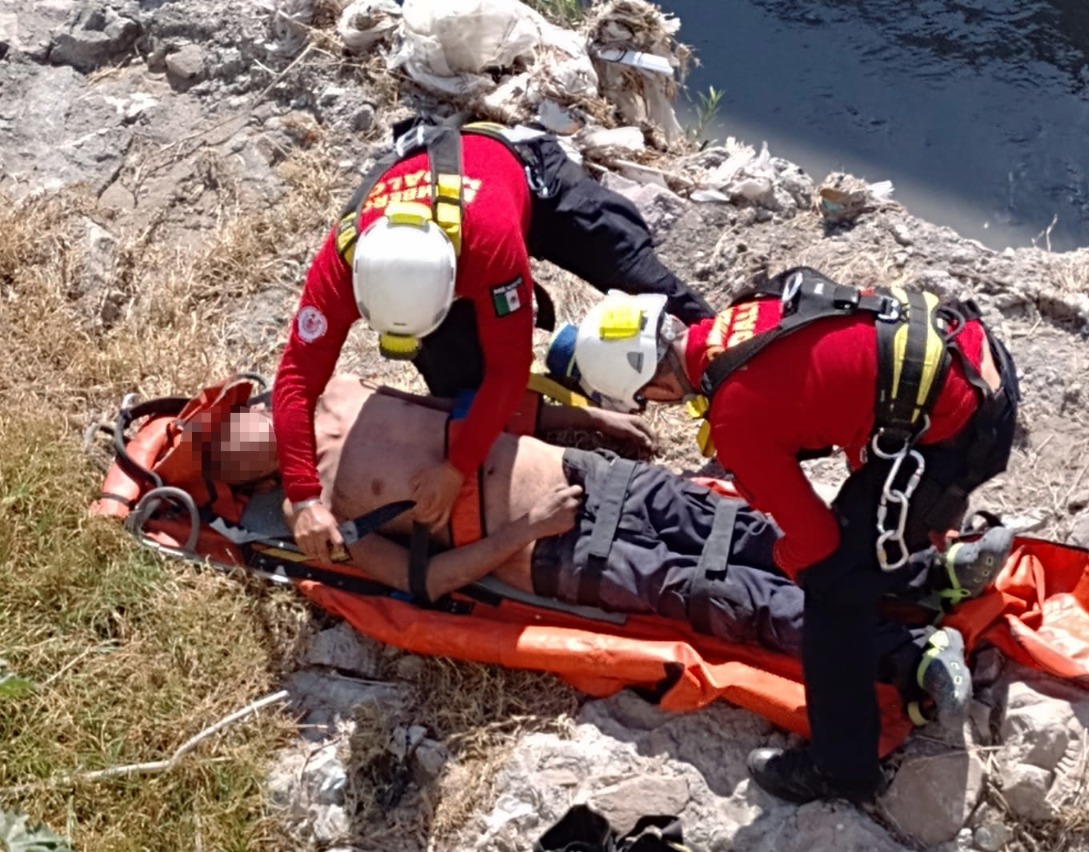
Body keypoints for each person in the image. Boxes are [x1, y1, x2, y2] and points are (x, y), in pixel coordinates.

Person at [213, 373, 974, 715]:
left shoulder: (340, 390)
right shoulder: (317, 521)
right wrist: (527, 529)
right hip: (554, 553)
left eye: (227, 425)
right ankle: (906, 658)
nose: (238, 442)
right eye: (224, 455)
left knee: (749, 531)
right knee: (725, 596)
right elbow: (425, 586)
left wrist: (594, 424)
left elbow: (471, 409)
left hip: (589, 475)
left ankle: (921, 580)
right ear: (242, 482)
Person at [567, 267, 1021, 804]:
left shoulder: (736, 418)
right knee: (860, 537)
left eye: (646, 398)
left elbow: (816, 540)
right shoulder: (739, 318)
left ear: (658, 385)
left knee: (830, 589)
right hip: (974, 361)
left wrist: (789, 559)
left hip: (959, 429)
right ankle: (940, 575)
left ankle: (842, 769)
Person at [274, 119, 714, 564]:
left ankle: (732, 368)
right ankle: (573, 368)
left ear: (454, 284)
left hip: (527, 179)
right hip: (447, 217)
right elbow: (295, 378)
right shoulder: (342, 264)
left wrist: (456, 468)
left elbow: (509, 369)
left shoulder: (489, 247)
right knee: (461, 380)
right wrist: (305, 496)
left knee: (641, 278)